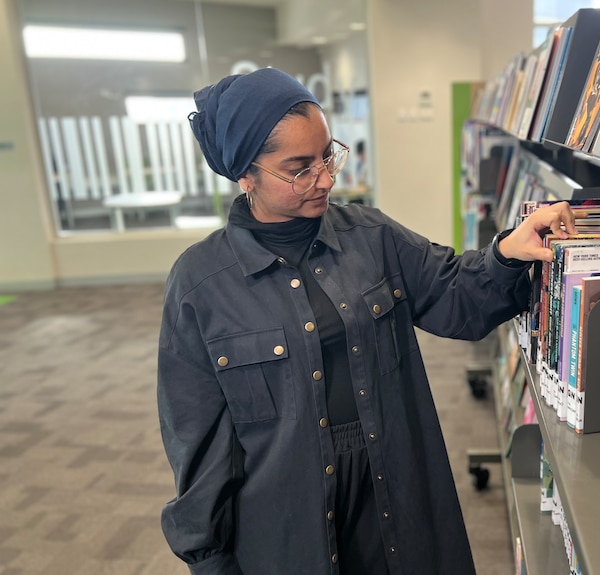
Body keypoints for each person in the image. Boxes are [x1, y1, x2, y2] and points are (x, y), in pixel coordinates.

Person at [157, 67, 576, 575]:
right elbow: (199, 445)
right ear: (246, 173)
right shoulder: (200, 285)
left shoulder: (371, 236)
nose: (328, 179)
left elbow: (456, 295)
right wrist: (210, 558)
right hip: (286, 525)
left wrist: (508, 251)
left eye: (328, 155)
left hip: (395, 492)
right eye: (300, 168)